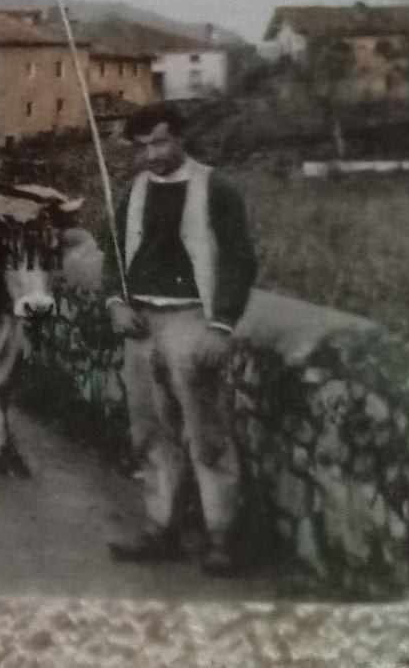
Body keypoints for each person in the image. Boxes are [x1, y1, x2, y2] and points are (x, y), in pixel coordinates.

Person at [101, 101, 257, 577]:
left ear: (181, 138)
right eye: (144, 145)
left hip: (192, 320)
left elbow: (239, 259)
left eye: (161, 142)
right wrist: (116, 303)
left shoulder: (217, 188)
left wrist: (222, 324)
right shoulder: (135, 191)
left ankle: (221, 536)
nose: (152, 153)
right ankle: (161, 527)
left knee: (206, 432)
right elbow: (112, 252)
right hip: (141, 324)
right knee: (150, 432)